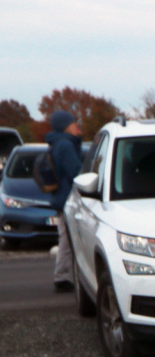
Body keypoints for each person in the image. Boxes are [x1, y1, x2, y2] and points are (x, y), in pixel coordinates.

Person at [46, 110, 82, 292]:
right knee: (67, 239)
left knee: (66, 238)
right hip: (68, 198)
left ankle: (64, 275)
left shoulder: (59, 144)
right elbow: (76, 172)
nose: (76, 125)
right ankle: (61, 277)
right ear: (64, 126)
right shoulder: (65, 146)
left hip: (61, 196)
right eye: (72, 122)